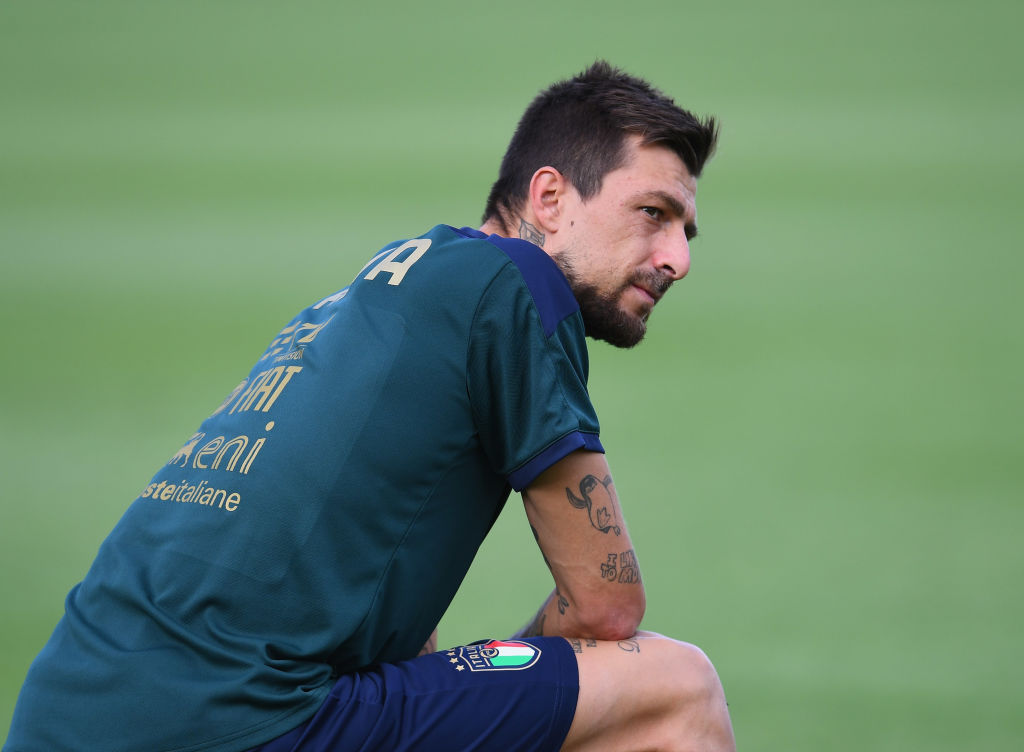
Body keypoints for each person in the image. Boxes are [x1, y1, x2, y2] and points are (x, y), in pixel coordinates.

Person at [5, 61, 735, 752]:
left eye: (685, 231)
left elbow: (382, 613)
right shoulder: (514, 284)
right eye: (653, 213)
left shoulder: (367, 298)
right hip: (238, 716)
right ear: (549, 199)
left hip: (69, 712)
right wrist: (503, 673)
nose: (678, 258)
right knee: (676, 689)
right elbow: (606, 607)